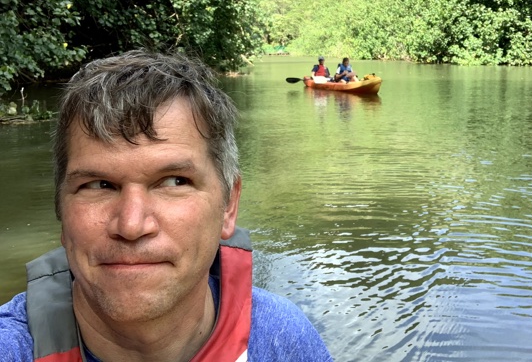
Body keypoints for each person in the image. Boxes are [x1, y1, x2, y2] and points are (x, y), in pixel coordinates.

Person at [0, 50, 333, 362]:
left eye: (174, 181)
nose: (132, 225)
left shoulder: (282, 340)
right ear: (61, 208)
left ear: (229, 205)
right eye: (99, 185)